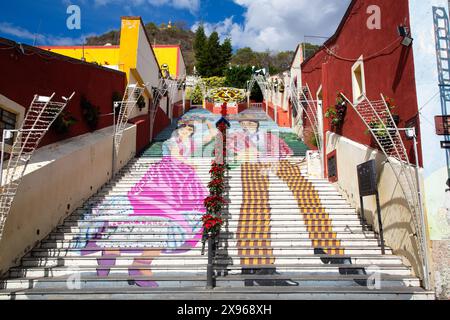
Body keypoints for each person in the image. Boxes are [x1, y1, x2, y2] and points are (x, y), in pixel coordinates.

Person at [79, 120, 217, 287]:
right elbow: (175, 156)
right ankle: (117, 254)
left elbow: (212, 135)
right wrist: (190, 163)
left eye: (189, 129)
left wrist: (208, 123)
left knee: (172, 221)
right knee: (155, 216)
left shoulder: (190, 142)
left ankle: (128, 259)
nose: (186, 131)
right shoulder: (171, 141)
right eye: (184, 128)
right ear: (178, 129)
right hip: (166, 178)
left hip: (184, 180)